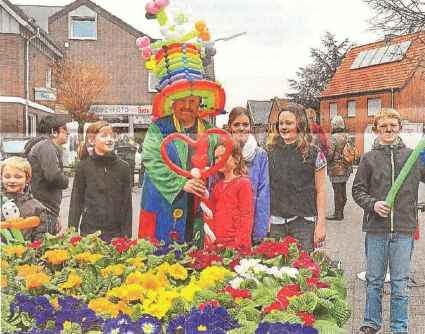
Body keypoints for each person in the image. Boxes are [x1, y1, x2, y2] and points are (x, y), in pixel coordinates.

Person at [352, 108, 425, 334]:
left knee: (400, 284)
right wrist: (373, 204)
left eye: (393, 126)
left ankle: (398, 327)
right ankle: (371, 323)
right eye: (384, 126)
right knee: (374, 280)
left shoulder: (413, 156)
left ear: (400, 128)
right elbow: (357, 190)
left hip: (404, 228)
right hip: (376, 229)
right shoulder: (368, 159)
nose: (389, 130)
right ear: (376, 129)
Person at [138, 95, 219, 244]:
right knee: (160, 256)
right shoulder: (159, 127)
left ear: (199, 103)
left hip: (197, 205)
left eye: (193, 101)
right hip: (163, 202)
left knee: (196, 256)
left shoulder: (210, 131)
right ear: (173, 102)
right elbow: (151, 160)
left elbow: (220, 160)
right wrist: (181, 183)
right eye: (182, 100)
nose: (187, 105)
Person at [267, 103, 326, 253]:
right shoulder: (269, 152)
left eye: (289, 123)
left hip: (303, 224)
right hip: (276, 223)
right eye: (280, 123)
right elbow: (265, 189)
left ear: (300, 124)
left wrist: (321, 224)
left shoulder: (314, 153)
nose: (283, 127)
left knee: (303, 270)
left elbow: (321, 191)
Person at [68, 121, 132, 241]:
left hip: (115, 233)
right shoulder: (84, 166)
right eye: (104, 136)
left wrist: (126, 236)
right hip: (89, 232)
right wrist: (72, 232)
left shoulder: (123, 167)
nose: (110, 139)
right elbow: (76, 201)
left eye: (111, 135)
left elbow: (127, 205)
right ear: (92, 141)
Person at [227, 107, 270, 244]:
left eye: (245, 125)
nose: (241, 128)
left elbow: (263, 193)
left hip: (252, 221)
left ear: (250, 127)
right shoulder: (222, 153)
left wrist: (259, 231)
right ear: (230, 127)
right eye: (236, 125)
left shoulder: (260, 155)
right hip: (227, 222)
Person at [24, 115, 69, 235]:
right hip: (44, 207)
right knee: (44, 248)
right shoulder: (46, 146)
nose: (68, 134)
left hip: (44, 207)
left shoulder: (42, 145)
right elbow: (53, 176)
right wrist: (66, 180)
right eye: (65, 130)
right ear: (54, 132)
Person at [204, 141, 254, 249]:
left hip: (235, 245)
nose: (219, 160)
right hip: (218, 243)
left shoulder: (243, 183)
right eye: (216, 158)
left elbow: (246, 217)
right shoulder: (217, 186)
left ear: (237, 159)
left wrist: (239, 245)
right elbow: (211, 214)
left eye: (224, 156)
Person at [0, 157, 52, 240]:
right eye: (7, 176)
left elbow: (40, 238)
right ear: (1, 178)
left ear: (27, 179)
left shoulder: (37, 208)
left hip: (26, 251)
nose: (12, 180)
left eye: (18, 177)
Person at [326, 116, 353, 221]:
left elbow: (330, 154)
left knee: (337, 192)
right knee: (342, 190)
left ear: (334, 125)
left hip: (336, 168)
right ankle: (340, 212)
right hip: (346, 167)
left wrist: (326, 160)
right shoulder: (348, 136)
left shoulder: (333, 138)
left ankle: (338, 214)